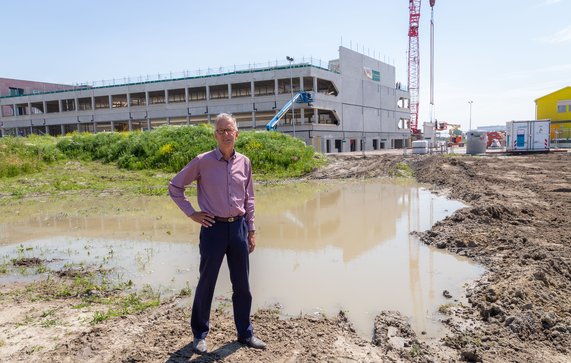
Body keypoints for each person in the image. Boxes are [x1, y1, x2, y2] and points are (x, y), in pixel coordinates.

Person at [168, 113, 266, 353]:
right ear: (215, 135)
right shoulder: (202, 161)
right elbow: (175, 186)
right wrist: (192, 213)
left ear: (236, 134)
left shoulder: (245, 162)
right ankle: (199, 334)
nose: (225, 134)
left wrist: (251, 229)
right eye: (220, 130)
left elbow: (249, 198)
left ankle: (245, 333)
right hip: (213, 229)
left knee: (242, 285)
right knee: (207, 283)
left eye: (229, 130)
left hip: (239, 228)